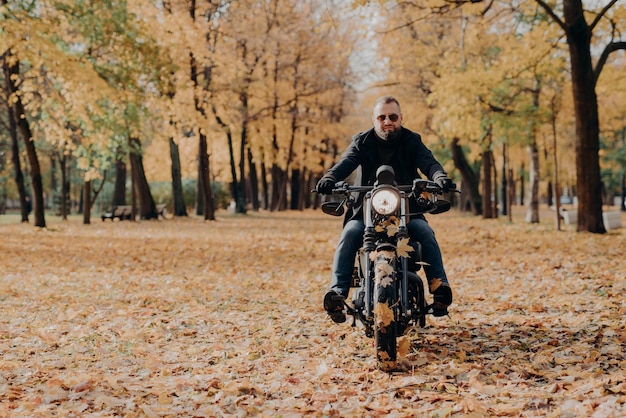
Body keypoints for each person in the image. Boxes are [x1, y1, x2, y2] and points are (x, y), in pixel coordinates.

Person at [316, 95, 454, 323]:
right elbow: (347, 161)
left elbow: (428, 162)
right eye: (382, 117)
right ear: (374, 119)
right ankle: (338, 293)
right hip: (366, 212)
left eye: (392, 117)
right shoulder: (362, 141)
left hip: (407, 211)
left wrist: (439, 176)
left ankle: (439, 289)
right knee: (350, 233)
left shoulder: (412, 140)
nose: (387, 121)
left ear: (401, 118)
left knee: (426, 233)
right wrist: (330, 177)